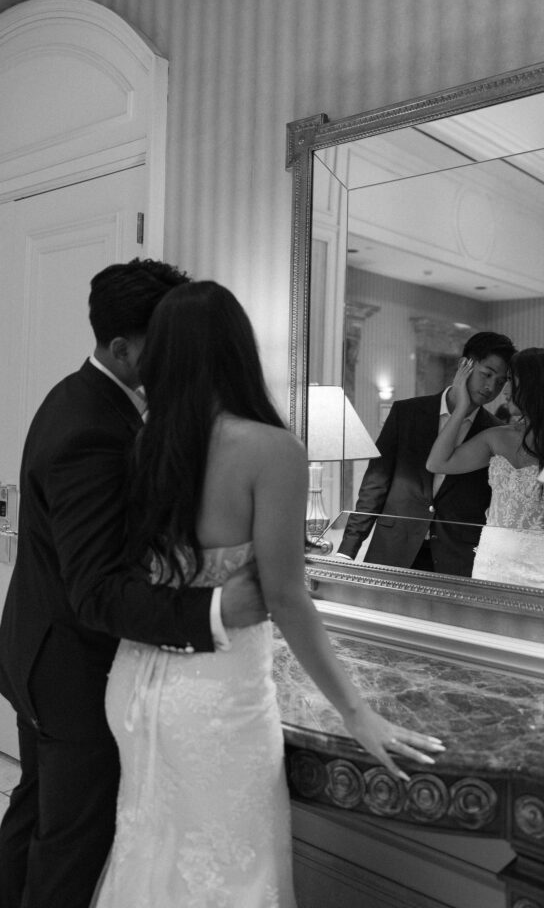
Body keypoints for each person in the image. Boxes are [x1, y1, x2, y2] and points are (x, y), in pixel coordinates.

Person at [90, 280, 445, 907]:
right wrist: (356, 713)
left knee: (151, 858)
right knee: (229, 875)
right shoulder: (269, 450)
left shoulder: (148, 443)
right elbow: (286, 598)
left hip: (137, 685)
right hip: (216, 697)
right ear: (237, 349)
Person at [0, 261, 268, 908]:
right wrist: (214, 608)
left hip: (38, 648)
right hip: (69, 668)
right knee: (72, 844)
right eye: (163, 343)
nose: (177, 358)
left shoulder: (89, 399)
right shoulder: (90, 428)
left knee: (36, 817)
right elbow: (95, 589)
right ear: (121, 349)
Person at [426, 347, 544, 595]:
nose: (504, 391)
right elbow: (437, 463)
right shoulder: (496, 437)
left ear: (535, 384)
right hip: (491, 567)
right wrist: (460, 408)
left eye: (510, 380)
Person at [336, 332, 516, 576]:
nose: (491, 387)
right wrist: (348, 548)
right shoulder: (406, 413)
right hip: (393, 549)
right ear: (465, 365)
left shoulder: (494, 432)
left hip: (457, 558)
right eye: (487, 374)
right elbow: (375, 484)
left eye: (501, 381)